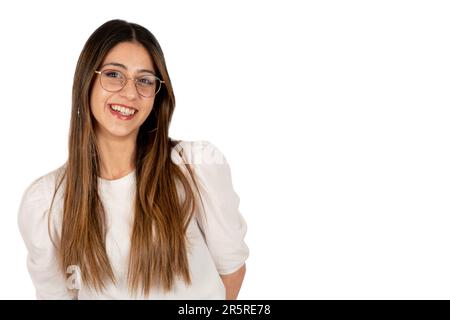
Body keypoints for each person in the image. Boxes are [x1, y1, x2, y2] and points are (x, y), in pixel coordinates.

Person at [17, 19, 249, 300]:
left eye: (144, 80)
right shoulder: (48, 202)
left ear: (156, 94)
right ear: (87, 81)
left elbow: (231, 271)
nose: (130, 93)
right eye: (114, 75)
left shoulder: (196, 167)